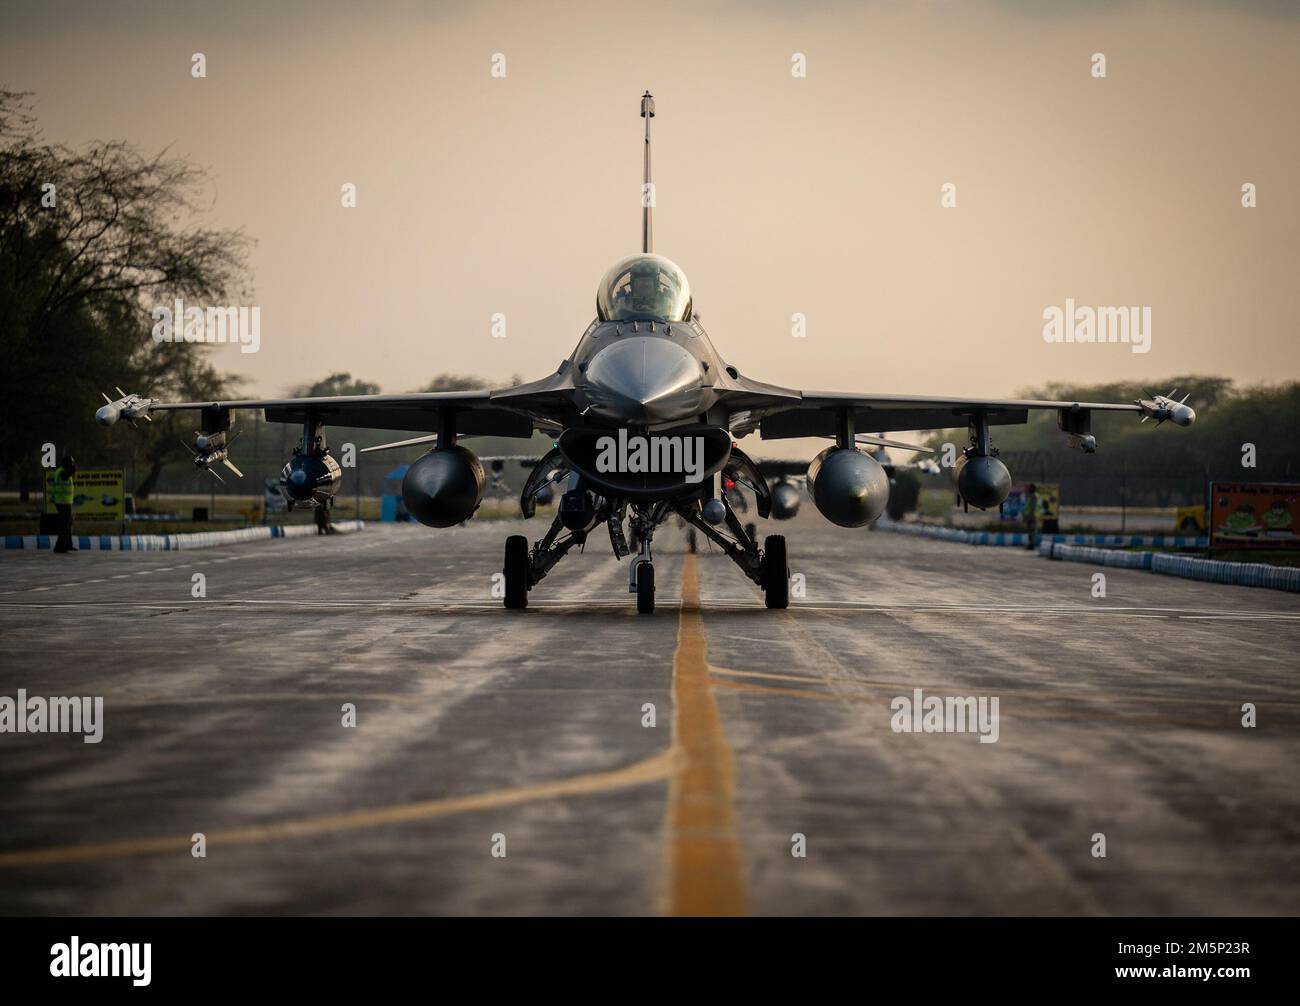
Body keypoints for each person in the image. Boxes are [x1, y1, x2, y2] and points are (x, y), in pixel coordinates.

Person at [51, 455, 77, 553]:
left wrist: (71, 471)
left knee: (69, 523)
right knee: (64, 525)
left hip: (66, 502)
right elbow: (65, 476)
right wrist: (72, 470)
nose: (71, 466)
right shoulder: (61, 472)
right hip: (62, 502)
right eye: (70, 465)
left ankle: (68, 545)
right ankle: (59, 547)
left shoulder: (64, 471)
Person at [1023, 483, 1039, 550]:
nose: (1029, 489)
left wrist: (1030, 516)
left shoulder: (1034, 496)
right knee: (1029, 531)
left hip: (1032, 516)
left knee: (1032, 531)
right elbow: (1028, 507)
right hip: (1029, 516)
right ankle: (1030, 544)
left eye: (1030, 488)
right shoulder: (1030, 496)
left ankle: (1032, 545)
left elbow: (1033, 508)